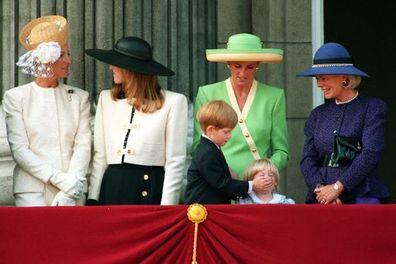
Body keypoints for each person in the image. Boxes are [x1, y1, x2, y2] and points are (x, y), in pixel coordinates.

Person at [85, 36, 187, 205]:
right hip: (112, 187)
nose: (111, 67)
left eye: (116, 63)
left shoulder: (174, 102)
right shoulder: (106, 99)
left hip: (149, 187)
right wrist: (93, 197)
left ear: (130, 70)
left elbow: (175, 162)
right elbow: (100, 156)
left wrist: (167, 207)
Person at [2, 15, 92, 206]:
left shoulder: (80, 97)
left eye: (68, 54)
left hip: (73, 190)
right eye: (63, 55)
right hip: (32, 191)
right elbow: (20, 150)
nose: (69, 60)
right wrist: (60, 179)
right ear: (46, 60)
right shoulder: (16, 97)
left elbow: (83, 145)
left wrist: (70, 186)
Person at [297, 42, 390, 204]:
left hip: (362, 194)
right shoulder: (317, 114)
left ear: (344, 78)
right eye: (317, 79)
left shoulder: (372, 108)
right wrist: (321, 190)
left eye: (324, 78)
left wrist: (337, 188)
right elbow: (307, 159)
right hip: (321, 198)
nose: (319, 84)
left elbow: (371, 153)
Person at [193, 33, 289, 180]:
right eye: (237, 66)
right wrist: (222, 171)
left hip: (259, 186)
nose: (242, 73)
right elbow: (198, 146)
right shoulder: (207, 93)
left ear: (258, 65)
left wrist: (264, 172)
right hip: (217, 183)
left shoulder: (274, 97)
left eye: (249, 67)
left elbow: (281, 151)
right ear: (228, 63)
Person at [184, 100, 270, 204]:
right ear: (211, 129)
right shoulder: (207, 153)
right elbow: (221, 184)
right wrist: (252, 185)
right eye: (226, 132)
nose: (230, 136)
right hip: (202, 211)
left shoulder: (210, 149)